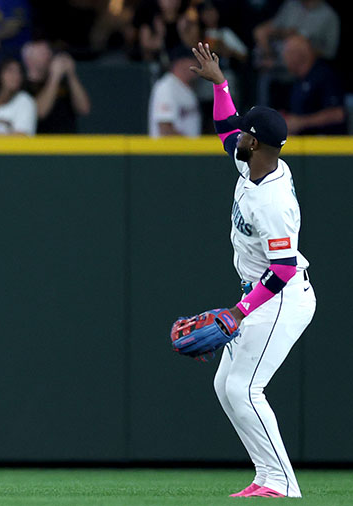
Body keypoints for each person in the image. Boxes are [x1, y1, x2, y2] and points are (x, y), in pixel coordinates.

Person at [189, 41, 315, 499]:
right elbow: (225, 127)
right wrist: (220, 84)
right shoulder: (251, 162)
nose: (237, 135)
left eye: (246, 132)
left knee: (244, 386)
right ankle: (266, 477)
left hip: (283, 297)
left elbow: (281, 269)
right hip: (262, 292)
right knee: (227, 386)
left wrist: (239, 313)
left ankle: (283, 483)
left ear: (256, 141)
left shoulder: (274, 200)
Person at [280, 35, 346, 135]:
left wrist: (301, 122)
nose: (284, 58)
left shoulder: (324, 75)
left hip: (327, 145)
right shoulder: (298, 80)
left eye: (288, 53)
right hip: (302, 145)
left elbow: (338, 114)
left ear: (299, 55)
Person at [21, 40, 90, 134]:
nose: (48, 56)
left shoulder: (63, 82)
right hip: (43, 144)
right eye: (43, 53)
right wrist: (54, 77)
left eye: (49, 52)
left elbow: (84, 109)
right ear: (29, 60)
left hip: (69, 143)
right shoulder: (22, 86)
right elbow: (39, 113)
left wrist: (71, 74)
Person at [148, 45, 200, 137]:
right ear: (180, 62)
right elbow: (165, 130)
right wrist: (188, 147)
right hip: (170, 150)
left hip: (186, 149)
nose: (197, 64)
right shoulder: (166, 87)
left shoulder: (186, 87)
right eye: (193, 60)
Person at [0, 58, 35, 135]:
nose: (15, 76)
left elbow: (22, 136)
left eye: (19, 72)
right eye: (10, 71)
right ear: (0, 74)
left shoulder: (25, 100)